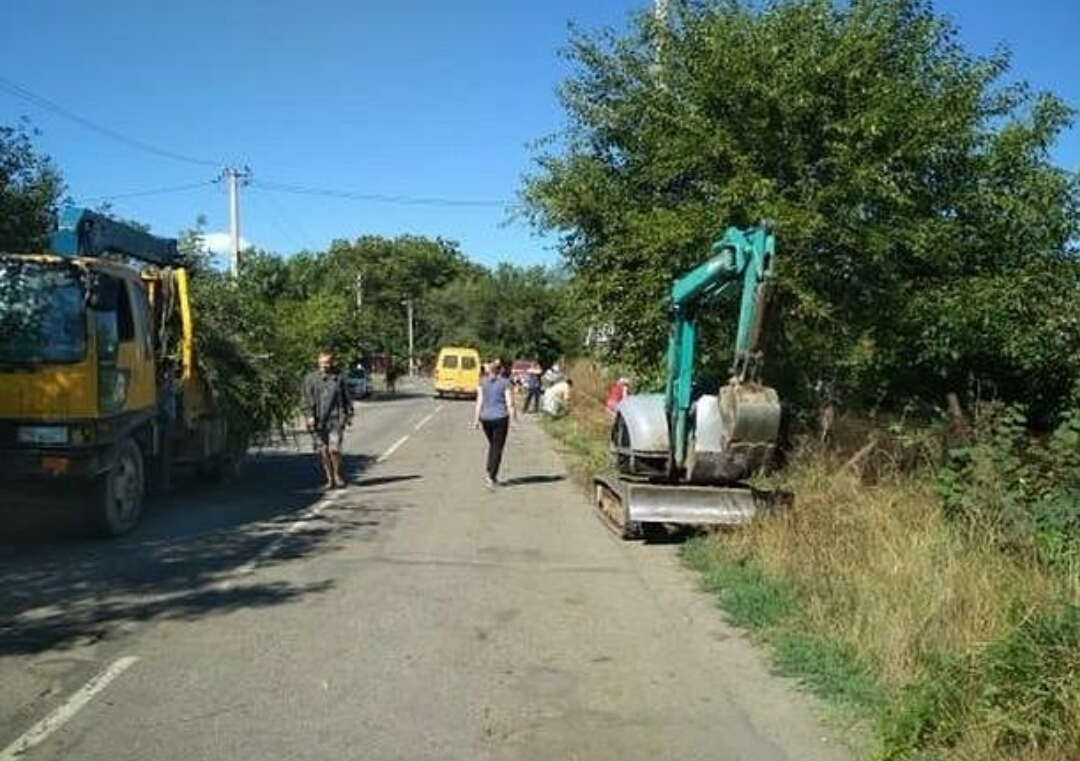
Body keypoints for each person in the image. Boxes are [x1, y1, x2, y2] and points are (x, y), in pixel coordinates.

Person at [301, 349, 353, 490]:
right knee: (323, 450)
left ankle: (336, 474)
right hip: (318, 420)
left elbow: (347, 398)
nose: (325, 365)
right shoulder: (310, 379)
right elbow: (305, 399)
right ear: (318, 362)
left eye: (328, 362)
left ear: (332, 363)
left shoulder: (339, 378)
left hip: (335, 419)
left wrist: (348, 414)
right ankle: (329, 479)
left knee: (334, 449)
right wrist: (309, 416)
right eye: (323, 362)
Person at [472, 357, 517, 488]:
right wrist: (514, 420)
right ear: (500, 370)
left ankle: (491, 473)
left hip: (485, 419)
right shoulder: (505, 383)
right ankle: (491, 475)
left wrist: (476, 419)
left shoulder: (482, 382)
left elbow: (479, 401)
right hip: (500, 418)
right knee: (497, 447)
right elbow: (510, 404)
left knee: (493, 446)